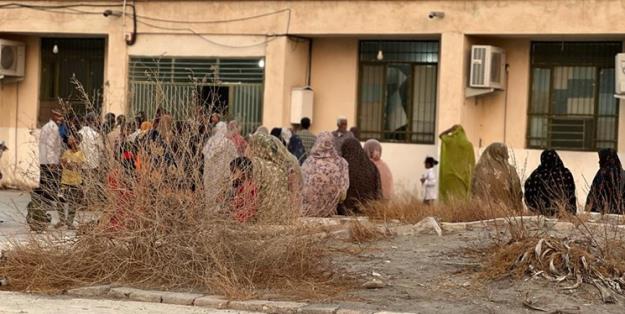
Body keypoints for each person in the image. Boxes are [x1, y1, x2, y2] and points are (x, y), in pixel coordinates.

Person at [245, 132, 291, 223]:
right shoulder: (280, 167)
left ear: (256, 147)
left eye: (249, 146)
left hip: (261, 219)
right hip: (280, 220)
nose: (247, 148)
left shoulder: (255, 165)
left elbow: (248, 194)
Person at [301, 132, 349, 217]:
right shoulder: (341, 163)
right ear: (333, 143)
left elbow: (300, 188)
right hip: (329, 213)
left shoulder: (307, 162)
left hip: (306, 213)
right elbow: (342, 196)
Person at [471, 143, 523, 210]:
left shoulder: (478, 169)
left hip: (481, 214)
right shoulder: (510, 170)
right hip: (506, 215)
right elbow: (517, 193)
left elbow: (472, 190)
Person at [524, 150, 577, 216]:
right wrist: (571, 211)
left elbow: (528, 193)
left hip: (540, 216)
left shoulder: (537, 174)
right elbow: (571, 193)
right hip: (563, 215)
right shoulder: (565, 173)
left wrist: (535, 209)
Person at [340, 137, 381, 214]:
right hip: (368, 210)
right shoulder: (371, 166)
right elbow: (378, 190)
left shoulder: (343, 167)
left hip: (345, 211)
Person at [203, 121, 238, 208]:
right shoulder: (228, 143)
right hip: (223, 174)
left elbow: (205, 156)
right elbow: (236, 158)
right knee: (222, 197)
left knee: (210, 196)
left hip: (210, 175)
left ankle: (210, 213)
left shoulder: (209, 143)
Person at [438, 125, 475, 202]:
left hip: (449, 177)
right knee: (460, 201)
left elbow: (441, 135)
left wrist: (449, 130)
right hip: (462, 180)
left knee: (449, 201)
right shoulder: (468, 145)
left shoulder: (449, 141)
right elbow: (472, 163)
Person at [56, 134, 86, 230]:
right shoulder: (66, 152)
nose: (69, 140)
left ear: (76, 141)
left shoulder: (81, 153)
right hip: (64, 180)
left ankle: (70, 222)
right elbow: (64, 165)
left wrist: (68, 163)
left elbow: (78, 167)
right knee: (59, 200)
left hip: (76, 181)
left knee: (73, 202)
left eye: (71, 139)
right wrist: (70, 164)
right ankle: (62, 219)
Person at [586, 148, 625, 214]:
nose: (599, 162)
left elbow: (594, 194)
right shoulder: (623, 173)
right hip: (620, 215)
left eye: (600, 159)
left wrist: (588, 210)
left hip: (602, 215)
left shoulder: (602, 173)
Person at [38, 109, 64, 205]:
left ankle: (42, 202)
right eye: (58, 116)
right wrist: (52, 161)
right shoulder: (53, 128)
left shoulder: (47, 126)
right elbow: (50, 145)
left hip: (44, 159)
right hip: (49, 160)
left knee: (44, 180)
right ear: (53, 116)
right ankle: (46, 202)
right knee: (49, 181)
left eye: (61, 116)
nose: (60, 118)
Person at [228, 157, 258, 223]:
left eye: (234, 172)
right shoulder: (239, 187)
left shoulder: (249, 188)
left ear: (244, 171)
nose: (231, 176)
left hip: (243, 221)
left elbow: (248, 210)